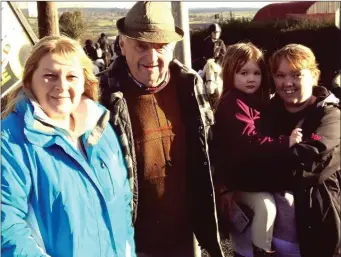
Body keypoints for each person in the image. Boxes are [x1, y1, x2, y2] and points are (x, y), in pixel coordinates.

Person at [99, 2, 224, 257]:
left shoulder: (190, 84)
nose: (152, 58)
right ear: (122, 45)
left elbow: (209, 150)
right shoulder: (101, 93)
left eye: (161, 46)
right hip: (130, 241)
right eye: (141, 45)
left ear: (173, 47)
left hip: (184, 235)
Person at [1, 35, 136, 257]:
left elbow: (122, 203)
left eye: (71, 76)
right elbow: (7, 229)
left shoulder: (101, 129)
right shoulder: (10, 142)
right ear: (29, 81)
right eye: (49, 76)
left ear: (84, 82)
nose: (61, 86)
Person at [219, 43, 340, 257]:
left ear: (314, 75)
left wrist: (241, 177)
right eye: (280, 75)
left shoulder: (329, 116)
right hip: (257, 241)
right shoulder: (266, 110)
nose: (287, 83)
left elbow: (309, 162)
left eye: (296, 74)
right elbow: (240, 148)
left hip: (313, 235)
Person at [212, 42, 303, 257]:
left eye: (256, 73)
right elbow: (249, 142)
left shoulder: (255, 102)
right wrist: (285, 142)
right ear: (230, 74)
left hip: (250, 176)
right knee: (266, 207)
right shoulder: (233, 103)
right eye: (244, 73)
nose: (251, 79)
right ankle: (259, 251)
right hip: (239, 180)